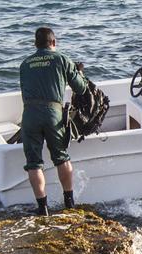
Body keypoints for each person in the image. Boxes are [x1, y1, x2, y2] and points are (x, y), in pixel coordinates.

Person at [20, 26, 89, 216]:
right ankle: (69, 202)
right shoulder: (61, 58)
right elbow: (81, 88)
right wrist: (79, 73)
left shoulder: (25, 64)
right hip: (52, 113)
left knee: (33, 163)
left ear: (35, 44)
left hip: (29, 114)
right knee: (61, 157)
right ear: (54, 43)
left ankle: (42, 208)